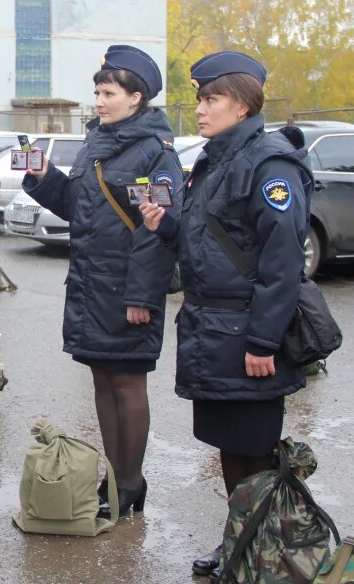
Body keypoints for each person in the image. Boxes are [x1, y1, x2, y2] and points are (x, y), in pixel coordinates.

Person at [139, 51, 312, 581]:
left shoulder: (270, 164)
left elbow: (282, 264)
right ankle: (241, 541)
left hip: (245, 335)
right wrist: (166, 225)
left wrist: (263, 341)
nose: (201, 108)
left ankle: (263, 552)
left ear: (241, 104)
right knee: (232, 449)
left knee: (254, 452)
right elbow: (212, 241)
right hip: (212, 331)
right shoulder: (217, 159)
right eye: (200, 98)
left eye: (211, 98)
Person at [22, 45, 182, 518]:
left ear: (137, 98)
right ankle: (114, 478)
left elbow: (159, 230)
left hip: (129, 289)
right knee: (102, 381)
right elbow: (78, 207)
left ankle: (131, 482)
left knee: (129, 384)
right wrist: (43, 176)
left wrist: (142, 296)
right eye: (96, 91)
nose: (99, 100)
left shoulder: (156, 152)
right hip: (91, 285)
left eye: (109, 92)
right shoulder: (96, 142)